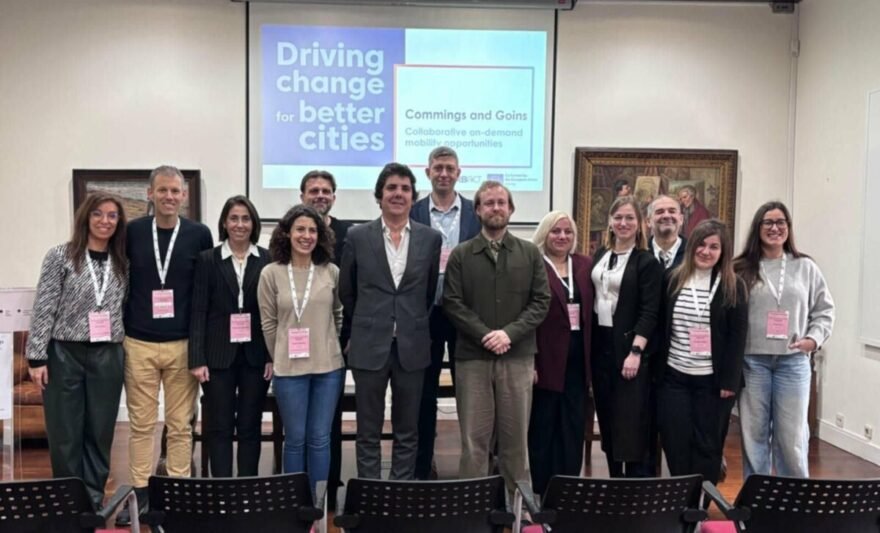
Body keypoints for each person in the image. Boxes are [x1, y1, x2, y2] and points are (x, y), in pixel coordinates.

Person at [117, 165, 213, 525]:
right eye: (163, 190)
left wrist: (200, 348)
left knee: (180, 426)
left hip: (182, 344)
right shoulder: (132, 232)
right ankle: (140, 495)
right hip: (139, 342)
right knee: (141, 425)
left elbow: (203, 293)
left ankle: (177, 494)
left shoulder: (199, 234)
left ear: (184, 196)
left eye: (175, 191)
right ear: (150, 194)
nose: (169, 197)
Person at [443, 180, 550, 495]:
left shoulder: (530, 253)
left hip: (517, 357)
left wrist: (508, 334)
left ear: (511, 209)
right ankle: (472, 506)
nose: (496, 208)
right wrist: (485, 335)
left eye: (501, 202)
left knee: (516, 441)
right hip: (472, 358)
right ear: (477, 210)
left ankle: (517, 506)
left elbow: (541, 301)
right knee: (473, 440)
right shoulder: (461, 255)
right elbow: (452, 302)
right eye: (488, 203)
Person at [340, 163, 442, 480]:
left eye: (405, 189)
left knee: (407, 429)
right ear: (379, 196)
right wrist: (371, 320)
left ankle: (400, 494)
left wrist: (408, 320)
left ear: (413, 197)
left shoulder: (430, 238)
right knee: (368, 429)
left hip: (412, 345)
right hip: (369, 344)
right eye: (391, 188)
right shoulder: (357, 236)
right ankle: (370, 494)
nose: (398, 194)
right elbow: (347, 290)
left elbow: (428, 293)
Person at [26, 193, 128, 508]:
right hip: (64, 353)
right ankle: (68, 501)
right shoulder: (61, 256)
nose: (104, 221)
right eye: (98, 214)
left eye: (112, 215)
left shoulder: (123, 260)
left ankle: (93, 501)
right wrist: (37, 356)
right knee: (65, 432)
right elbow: (44, 306)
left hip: (107, 354)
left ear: (119, 222)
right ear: (85, 217)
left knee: (100, 431)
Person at [734, 201, 835, 478]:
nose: (775, 228)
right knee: (753, 435)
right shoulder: (740, 268)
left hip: (793, 362)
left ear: (788, 228)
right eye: (768, 222)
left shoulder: (805, 267)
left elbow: (824, 311)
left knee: (792, 437)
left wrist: (813, 340)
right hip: (752, 362)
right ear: (758, 227)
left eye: (781, 222)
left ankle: (794, 497)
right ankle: (757, 497)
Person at [656, 219, 748, 489]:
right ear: (692, 245)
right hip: (674, 378)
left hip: (713, 382)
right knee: (675, 441)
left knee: (708, 445)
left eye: (714, 247)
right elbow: (661, 327)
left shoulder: (733, 285)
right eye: (701, 245)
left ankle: (701, 501)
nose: (706, 251)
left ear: (723, 251)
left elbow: (737, 337)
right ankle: (681, 498)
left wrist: (729, 381)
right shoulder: (673, 278)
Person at [258, 204, 344, 493]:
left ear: (320, 236)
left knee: (320, 438)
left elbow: (338, 315)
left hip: (328, 369)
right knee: (294, 439)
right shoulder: (271, 273)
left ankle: (318, 501)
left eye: (312, 230)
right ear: (287, 233)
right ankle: (294, 502)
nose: (306, 236)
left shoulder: (331, 271)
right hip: (288, 370)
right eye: (300, 229)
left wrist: (327, 343)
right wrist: (280, 354)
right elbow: (268, 323)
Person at [410, 146, 481, 480]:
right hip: (423, 314)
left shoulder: (474, 213)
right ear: (428, 172)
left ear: (458, 173)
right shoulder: (413, 211)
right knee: (424, 392)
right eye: (438, 168)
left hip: (465, 313)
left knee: (471, 390)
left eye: (449, 168)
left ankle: (474, 464)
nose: (443, 173)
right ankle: (424, 463)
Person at [189, 195, 271, 477]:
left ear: (254, 223)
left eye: (246, 218)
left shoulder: (267, 259)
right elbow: (198, 310)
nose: (240, 224)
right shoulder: (207, 259)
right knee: (219, 427)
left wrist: (271, 355)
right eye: (234, 218)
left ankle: (247, 486)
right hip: (217, 357)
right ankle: (222, 489)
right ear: (224, 223)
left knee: (250, 425)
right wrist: (197, 358)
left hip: (256, 356)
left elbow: (272, 314)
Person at [590, 195, 662, 478]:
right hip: (601, 346)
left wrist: (636, 351)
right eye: (618, 217)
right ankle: (614, 481)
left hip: (630, 350)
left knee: (631, 422)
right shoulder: (601, 255)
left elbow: (650, 312)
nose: (623, 223)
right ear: (610, 221)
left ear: (640, 223)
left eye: (629, 218)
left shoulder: (646, 262)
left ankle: (635, 487)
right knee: (608, 417)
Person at [527, 211, 593, 495]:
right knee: (543, 425)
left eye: (568, 231)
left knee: (572, 424)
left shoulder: (585, 265)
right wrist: (530, 361)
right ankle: (542, 489)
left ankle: (568, 488)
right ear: (545, 233)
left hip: (578, 359)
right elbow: (525, 314)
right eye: (556, 231)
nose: (562, 236)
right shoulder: (533, 265)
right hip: (545, 358)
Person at [299, 169, 351, 501]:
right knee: (298, 419)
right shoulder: (292, 232)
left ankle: (329, 484)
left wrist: (348, 335)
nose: (320, 195)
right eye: (313, 190)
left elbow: (353, 288)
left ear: (334, 196)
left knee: (329, 416)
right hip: (297, 340)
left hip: (335, 339)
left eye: (326, 190)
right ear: (302, 195)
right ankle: (297, 482)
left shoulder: (349, 234)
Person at [648, 195, 686, 269]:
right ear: (648, 221)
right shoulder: (638, 253)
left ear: (681, 219)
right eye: (659, 212)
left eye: (672, 211)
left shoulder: (694, 253)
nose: (666, 216)